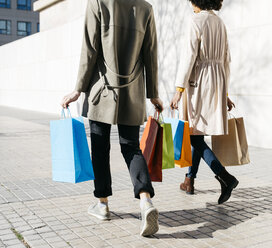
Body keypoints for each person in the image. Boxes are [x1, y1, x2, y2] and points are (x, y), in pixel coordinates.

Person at [61, 0, 162, 237]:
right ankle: (145, 201)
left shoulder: (98, 2)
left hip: (101, 90)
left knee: (100, 147)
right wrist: (153, 94)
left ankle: (103, 204)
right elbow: (151, 54)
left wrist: (78, 89)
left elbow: (90, 48)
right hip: (132, 92)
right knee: (131, 148)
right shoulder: (145, 8)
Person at [170, 0, 238, 204]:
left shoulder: (196, 21)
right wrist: (224, 93)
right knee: (196, 133)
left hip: (198, 81)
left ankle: (224, 177)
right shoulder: (220, 23)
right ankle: (189, 180)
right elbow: (227, 59)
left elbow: (188, 56)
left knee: (193, 136)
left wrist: (179, 89)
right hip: (217, 81)